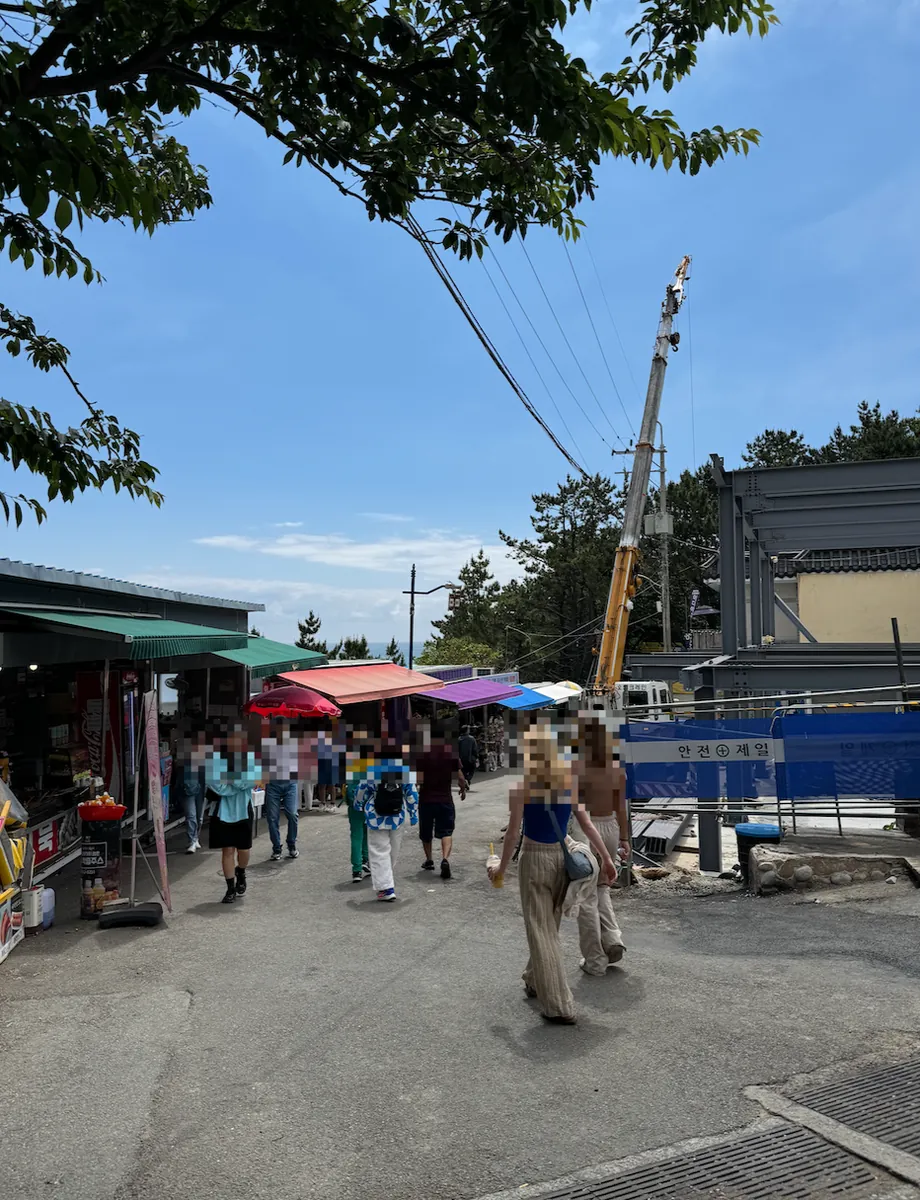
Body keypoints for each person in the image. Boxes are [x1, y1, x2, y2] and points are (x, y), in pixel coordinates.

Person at [488, 724, 616, 1024]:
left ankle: (559, 1005)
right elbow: (586, 825)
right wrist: (607, 858)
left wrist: (500, 868)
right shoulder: (569, 782)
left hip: (534, 859)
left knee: (540, 931)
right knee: (549, 926)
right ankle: (534, 979)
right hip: (562, 859)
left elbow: (513, 834)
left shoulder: (523, 786)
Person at [573, 718, 629, 973]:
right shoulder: (617, 771)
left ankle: (594, 956)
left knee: (586, 893)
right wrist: (624, 839)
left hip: (587, 828)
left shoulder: (579, 769)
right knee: (603, 887)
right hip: (611, 827)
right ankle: (613, 937)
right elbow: (621, 809)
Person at [354, 743, 419, 902]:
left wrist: (358, 805)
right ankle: (386, 880)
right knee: (393, 850)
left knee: (378, 851)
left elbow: (362, 790)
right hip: (397, 817)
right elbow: (412, 794)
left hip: (375, 817)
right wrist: (413, 813)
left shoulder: (373, 770)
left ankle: (386, 887)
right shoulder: (404, 770)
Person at [206, 724, 259, 904]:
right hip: (222, 811)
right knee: (227, 850)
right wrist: (237, 781)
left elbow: (251, 782)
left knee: (244, 850)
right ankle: (230, 889)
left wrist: (229, 778)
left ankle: (241, 871)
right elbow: (216, 786)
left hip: (243, 809)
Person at [414, 720, 467, 880]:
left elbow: (418, 779)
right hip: (445, 799)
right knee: (446, 831)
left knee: (426, 832)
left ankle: (429, 860)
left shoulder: (422, 753)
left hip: (426, 799)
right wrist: (463, 789)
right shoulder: (450, 752)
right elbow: (460, 777)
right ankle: (445, 859)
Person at [261, 721, 300, 861]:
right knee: (272, 817)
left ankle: (292, 844)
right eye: (279, 729)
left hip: (290, 784)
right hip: (273, 785)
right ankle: (276, 847)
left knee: (292, 814)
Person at [343, 726, 372, 883]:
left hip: (354, 803)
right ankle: (366, 860)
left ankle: (356, 870)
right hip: (369, 804)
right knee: (367, 832)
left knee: (356, 836)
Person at [178, 724, 208, 853]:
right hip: (187, 788)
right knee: (191, 815)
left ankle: (195, 838)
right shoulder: (185, 756)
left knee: (198, 816)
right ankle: (192, 840)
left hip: (199, 787)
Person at [458, 724, 479, 789]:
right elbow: (475, 750)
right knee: (472, 770)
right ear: (467, 730)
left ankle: (465, 782)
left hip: (461, 759)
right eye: (469, 729)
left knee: (463, 771)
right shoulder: (472, 739)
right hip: (470, 759)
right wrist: (476, 757)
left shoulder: (459, 739)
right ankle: (467, 779)